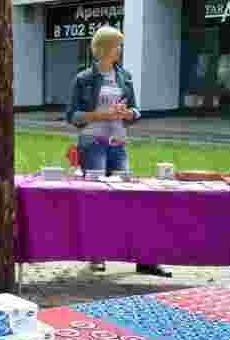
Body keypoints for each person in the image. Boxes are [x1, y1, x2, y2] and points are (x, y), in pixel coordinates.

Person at [65, 25, 170, 278]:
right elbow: (72, 116)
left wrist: (127, 113)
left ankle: (144, 259)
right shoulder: (83, 79)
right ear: (104, 48)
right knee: (98, 200)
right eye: (117, 45)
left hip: (118, 144)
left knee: (131, 198)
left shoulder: (125, 77)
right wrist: (102, 114)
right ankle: (97, 254)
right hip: (92, 144)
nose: (120, 49)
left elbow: (136, 111)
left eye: (120, 45)